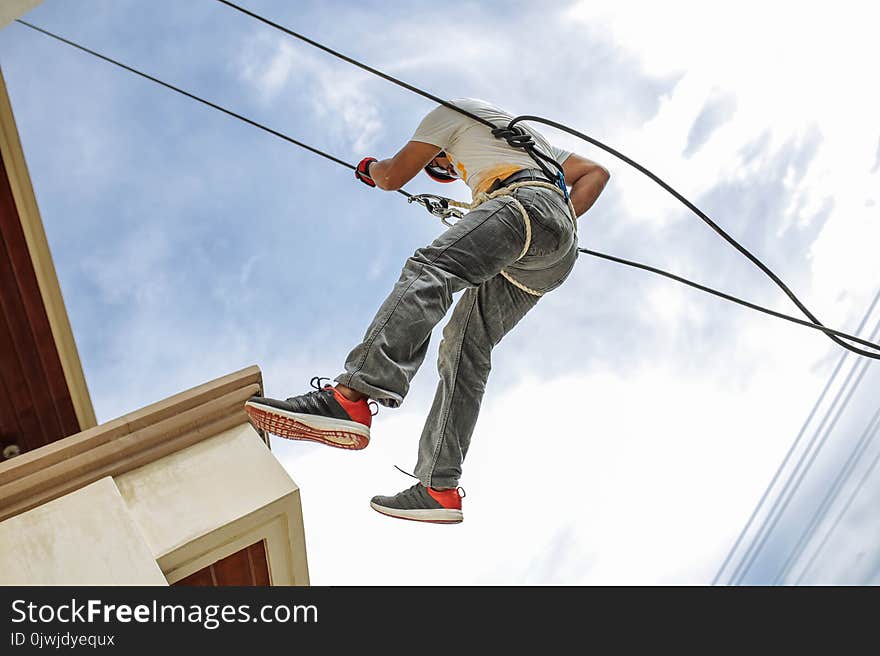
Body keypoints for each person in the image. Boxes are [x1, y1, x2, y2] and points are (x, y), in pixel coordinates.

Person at [245, 98, 610, 523]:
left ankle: (351, 397)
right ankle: (439, 487)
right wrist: (554, 223)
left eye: (444, 167)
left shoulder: (449, 115)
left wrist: (372, 168)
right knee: (465, 344)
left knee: (431, 269)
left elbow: (392, 175)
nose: (451, 173)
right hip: (555, 252)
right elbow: (594, 174)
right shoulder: (528, 142)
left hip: (523, 204)